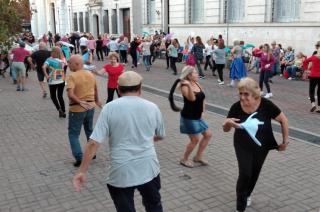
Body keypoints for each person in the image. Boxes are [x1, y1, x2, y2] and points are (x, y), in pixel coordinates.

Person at [72, 71, 165, 212]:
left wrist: (82, 171)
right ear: (140, 88)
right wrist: (145, 138)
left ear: (119, 90)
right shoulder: (153, 107)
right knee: (154, 206)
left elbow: (93, 143)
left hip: (121, 171)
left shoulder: (110, 108)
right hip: (149, 168)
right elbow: (160, 135)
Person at [223, 77, 289, 212]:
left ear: (255, 93)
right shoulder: (236, 107)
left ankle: (247, 194)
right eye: (240, 93)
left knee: (254, 173)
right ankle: (240, 207)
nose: (242, 97)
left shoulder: (266, 105)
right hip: (242, 145)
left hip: (262, 145)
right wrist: (226, 124)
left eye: (246, 94)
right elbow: (226, 129)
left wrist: (284, 141)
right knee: (245, 173)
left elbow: (283, 120)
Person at [169, 66, 212, 168]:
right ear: (189, 75)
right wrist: (188, 86)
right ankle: (184, 159)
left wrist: (203, 111)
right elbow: (192, 99)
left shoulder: (197, 84)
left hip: (198, 116)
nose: (197, 74)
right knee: (195, 140)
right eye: (195, 73)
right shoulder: (184, 87)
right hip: (189, 117)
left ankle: (198, 157)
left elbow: (203, 98)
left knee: (208, 135)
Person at [66, 55, 101, 167]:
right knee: (89, 130)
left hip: (77, 108)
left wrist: (80, 102)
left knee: (73, 134)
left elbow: (70, 94)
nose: (68, 65)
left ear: (76, 64)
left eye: (70, 63)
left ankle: (79, 158)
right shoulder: (90, 74)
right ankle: (92, 153)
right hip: (90, 106)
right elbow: (95, 89)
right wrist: (96, 101)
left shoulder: (72, 76)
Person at [42, 47, 66, 118]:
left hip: (53, 80)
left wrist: (46, 75)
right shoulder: (62, 60)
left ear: (52, 52)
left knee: (53, 96)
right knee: (60, 96)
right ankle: (63, 111)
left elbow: (43, 67)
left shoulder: (49, 59)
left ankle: (59, 110)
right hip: (61, 80)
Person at [303, 41, 320, 112]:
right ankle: (319, 107)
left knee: (311, 91)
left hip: (313, 75)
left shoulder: (314, 57)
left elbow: (304, 61)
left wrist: (306, 69)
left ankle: (313, 105)